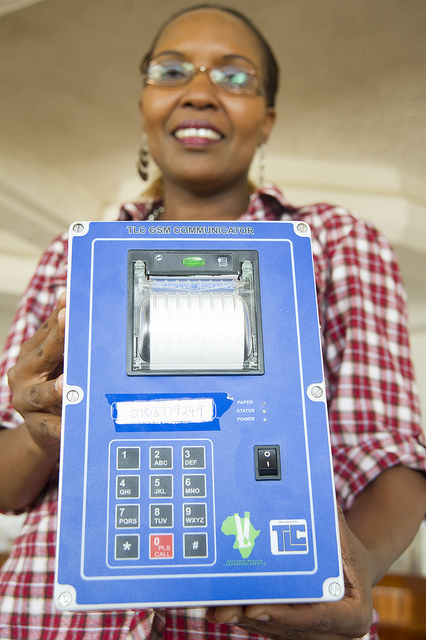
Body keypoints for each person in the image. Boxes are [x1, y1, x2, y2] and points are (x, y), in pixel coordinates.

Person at [0, 4, 425, 639]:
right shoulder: (73, 253)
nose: (200, 92)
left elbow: (388, 449)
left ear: (267, 119)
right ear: (145, 103)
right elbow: (8, 484)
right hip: (56, 620)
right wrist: (43, 430)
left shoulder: (336, 243)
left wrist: (353, 567)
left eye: (234, 77)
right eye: (171, 71)